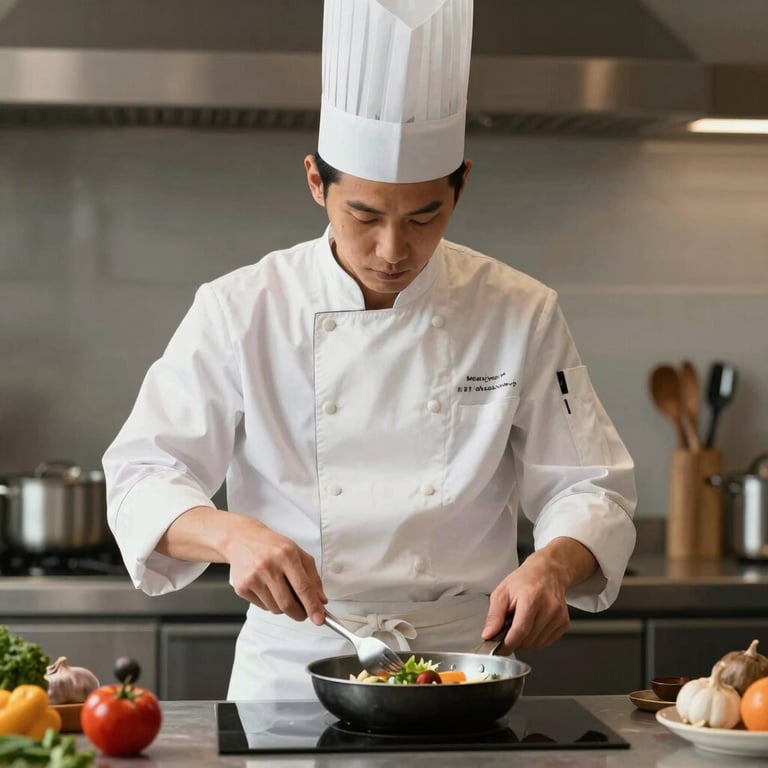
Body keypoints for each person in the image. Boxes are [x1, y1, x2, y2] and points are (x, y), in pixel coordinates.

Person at [103, 0, 636, 702]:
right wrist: (231, 536)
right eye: (365, 216)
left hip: (462, 670)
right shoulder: (241, 308)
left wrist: (552, 567)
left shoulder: (519, 311)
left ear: (461, 185)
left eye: (424, 217)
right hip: (292, 671)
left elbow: (588, 483)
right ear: (316, 183)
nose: (393, 250)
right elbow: (142, 475)